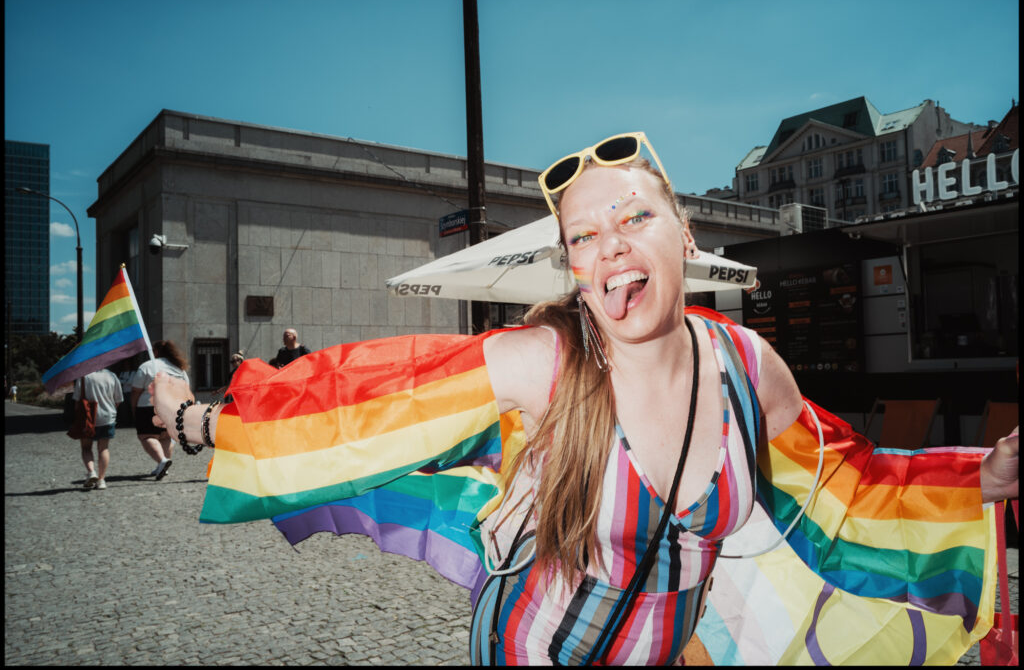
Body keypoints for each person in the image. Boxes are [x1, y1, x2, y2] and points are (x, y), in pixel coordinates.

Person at [151, 131, 1019, 665]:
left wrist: (981, 477)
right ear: (570, 260)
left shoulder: (750, 366)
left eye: (635, 219)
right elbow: (362, 405)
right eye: (584, 237)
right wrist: (196, 417)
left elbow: (848, 488)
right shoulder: (543, 363)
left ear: (685, 233)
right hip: (529, 649)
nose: (610, 249)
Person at [132, 340, 191, 481]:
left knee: (147, 436)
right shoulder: (179, 369)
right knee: (166, 436)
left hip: (149, 406)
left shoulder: (146, 367)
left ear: (156, 352)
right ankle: (162, 465)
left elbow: (135, 391)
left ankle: (162, 461)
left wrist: (133, 408)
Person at [74, 368, 124, 490]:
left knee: (86, 448)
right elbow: (118, 400)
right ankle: (101, 480)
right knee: (103, 448)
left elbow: (77, 400)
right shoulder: (112, 376)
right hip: (108, 417)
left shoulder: (84, 376)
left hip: (88, 417)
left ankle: (91, 472)